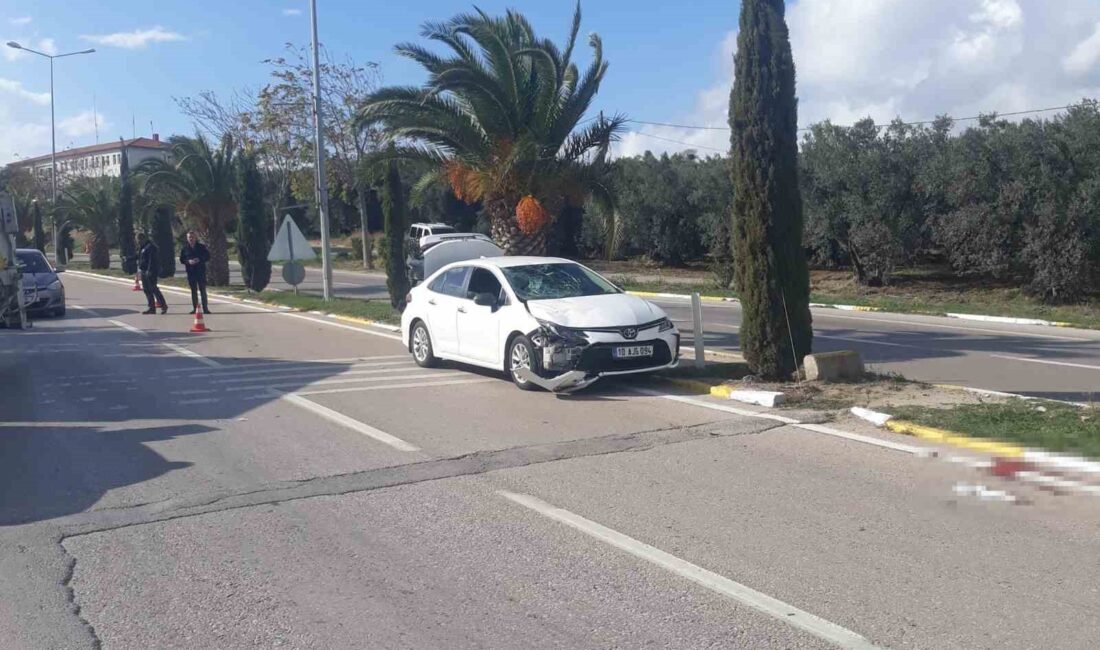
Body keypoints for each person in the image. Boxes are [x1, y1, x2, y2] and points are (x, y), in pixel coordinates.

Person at [179, 231, 211, 314]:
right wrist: (188, 261)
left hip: (200, 271)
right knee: (193, 291)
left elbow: (207, 256)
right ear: (187, 238)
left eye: (192, 237)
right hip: (191, 272)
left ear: (195, 238)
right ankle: (195, 308)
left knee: (202, 290)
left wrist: (199, 259)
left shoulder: (201, 247)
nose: (191, 239)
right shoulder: (185, 248)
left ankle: (205, 309)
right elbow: (182, 260)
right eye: (189, 237)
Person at [136, 233, 167, 315]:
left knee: (154, 289)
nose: (138, 242)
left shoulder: (150, 247)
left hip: (150, 272)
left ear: (143, 239)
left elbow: (152, 260)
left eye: (139, 240)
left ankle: (163, 305)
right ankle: (151, 308)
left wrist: (149, 271)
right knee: (146, 290)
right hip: (143, 271)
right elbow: (139, 257)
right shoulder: (142, 247)